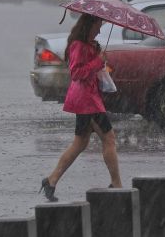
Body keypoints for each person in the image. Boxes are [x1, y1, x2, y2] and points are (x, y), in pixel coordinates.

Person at [39, 13, 122, 202]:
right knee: (108, 138)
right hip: (87, 101)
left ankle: (51, 181)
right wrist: (98, 61)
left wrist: (99, 61)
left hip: (89, 98)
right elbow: (76, 73)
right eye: (99, 25)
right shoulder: (78, 45)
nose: (100, 29)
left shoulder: (88, 45)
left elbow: (89, 69)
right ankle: (116, 184)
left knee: (80, 144)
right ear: (90, 25)